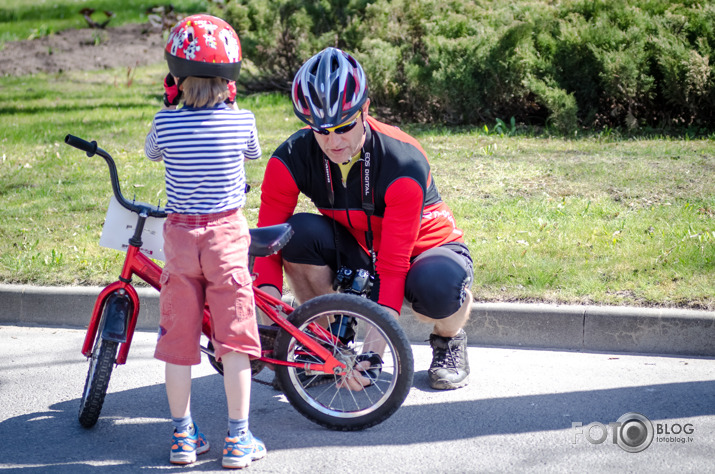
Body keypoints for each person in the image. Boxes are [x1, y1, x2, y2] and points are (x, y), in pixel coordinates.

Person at [254, 47, 474, 391]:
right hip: (357, 247)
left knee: (438, 285)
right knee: (293, 235)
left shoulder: (403, 162)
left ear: (365, 110)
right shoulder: (290, 159)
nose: (333, 141)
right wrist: (272, 321)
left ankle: (449, 339)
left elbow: (394, 264)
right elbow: (266, 243)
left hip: (422, 253)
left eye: (343, 127)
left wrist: (372, 356)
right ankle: (324, 345)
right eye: (321, 130)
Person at [144, 14, 266, 469]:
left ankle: (182, 438)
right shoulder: (241, 121)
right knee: (234, 340)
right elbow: (252, 153)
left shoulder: (165, 122)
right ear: (230, 79)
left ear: (175, 76)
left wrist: (170, 104)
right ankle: (238, 439)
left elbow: (152, 152)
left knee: (178, 342)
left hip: (179, 238)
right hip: (226, 236)